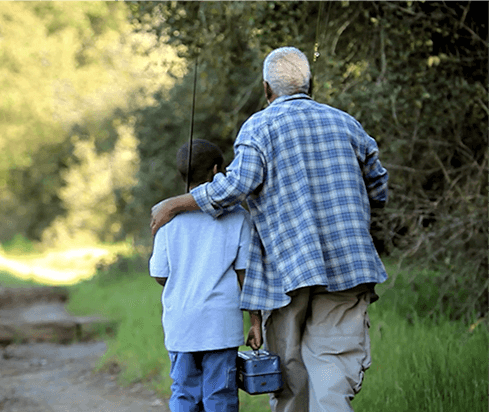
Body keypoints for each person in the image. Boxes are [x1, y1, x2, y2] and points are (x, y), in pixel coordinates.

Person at [150, 47, 389, 412]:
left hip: (288, 268)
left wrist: (175, 204)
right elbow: (379, 187)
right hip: (350, 264)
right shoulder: (347, 124)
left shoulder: (259, 127)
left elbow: (234, 187)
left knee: (290, 367)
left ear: (266, 89)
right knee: (333, 368)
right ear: (311, 84)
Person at [150, 139, 262, 412]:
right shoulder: (238, 217)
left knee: (183, 393)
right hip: (220, 325)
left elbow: (159, 274)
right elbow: (245, 277)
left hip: (181, 323)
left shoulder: (167, 219)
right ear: (216, 171)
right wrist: (256, 322)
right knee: (220, 395)